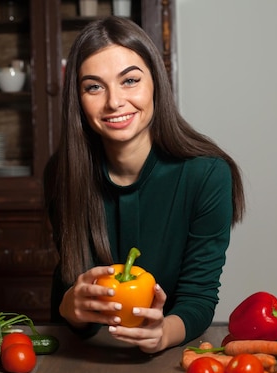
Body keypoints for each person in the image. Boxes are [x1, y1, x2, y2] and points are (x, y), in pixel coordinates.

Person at [44, 16, 245, 354]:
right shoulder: (62, 173)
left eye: (130, 81)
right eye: (94, 86)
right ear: (77, 99)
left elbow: (198, 299)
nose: (114, 102)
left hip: (172, 357)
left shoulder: (208, 175)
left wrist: (162, 333)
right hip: (86, 359)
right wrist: (70, 309)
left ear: (155, 83)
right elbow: (69, 294)